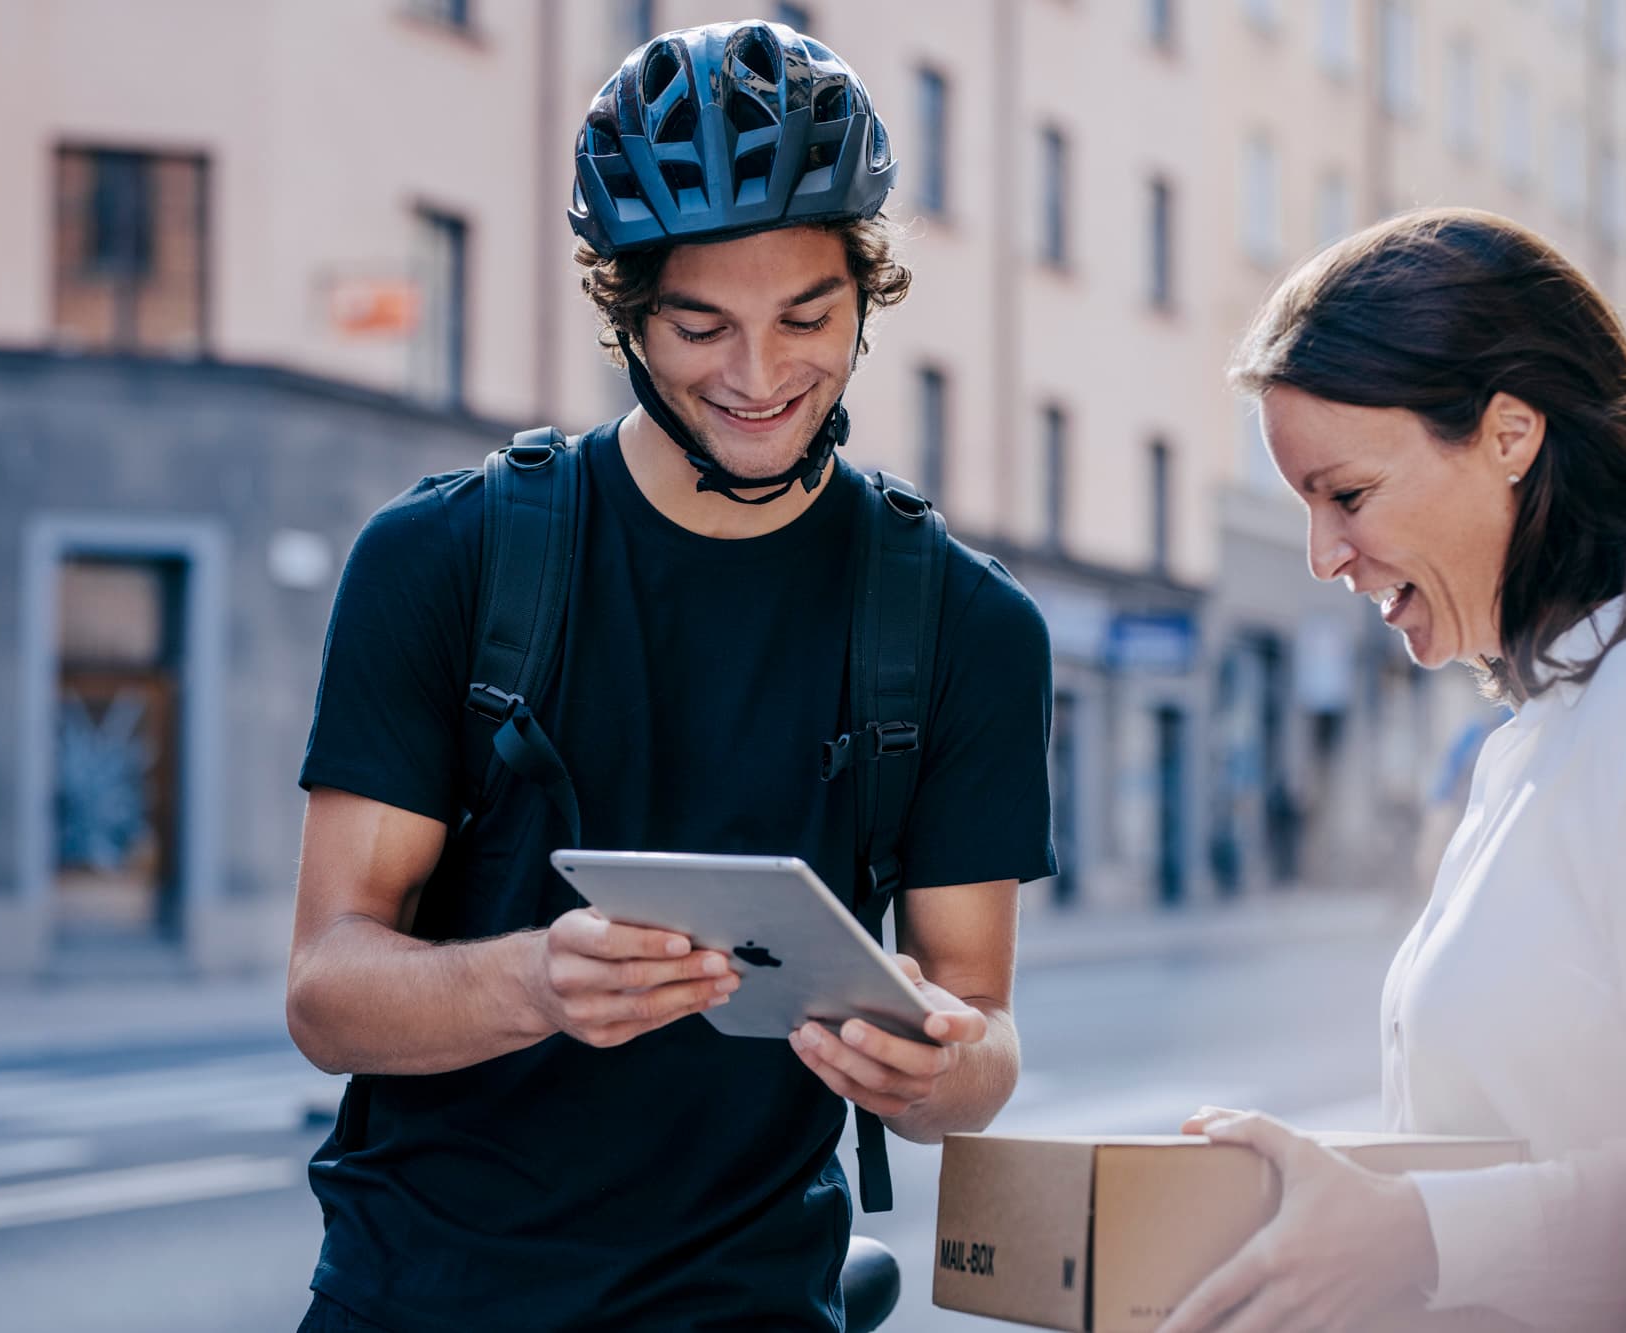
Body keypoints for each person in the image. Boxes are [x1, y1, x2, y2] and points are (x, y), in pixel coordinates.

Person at [283, 20, 1054, 1332]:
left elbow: (980, 1029)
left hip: (750, 1305)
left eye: (807, 317)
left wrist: (932, 1065)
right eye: (700, 326)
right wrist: (533, 979)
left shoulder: (966, 625)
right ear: (626, 315)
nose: (758, 378)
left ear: (869, 295)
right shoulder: (444, 560)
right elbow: (327, 991)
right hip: (422, 1299)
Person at [1158, 208, 1626, 1333]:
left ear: (1509, 433)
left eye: (1348, 496)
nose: (1322, 556)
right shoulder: (1546, 730)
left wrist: (1416, 1235)